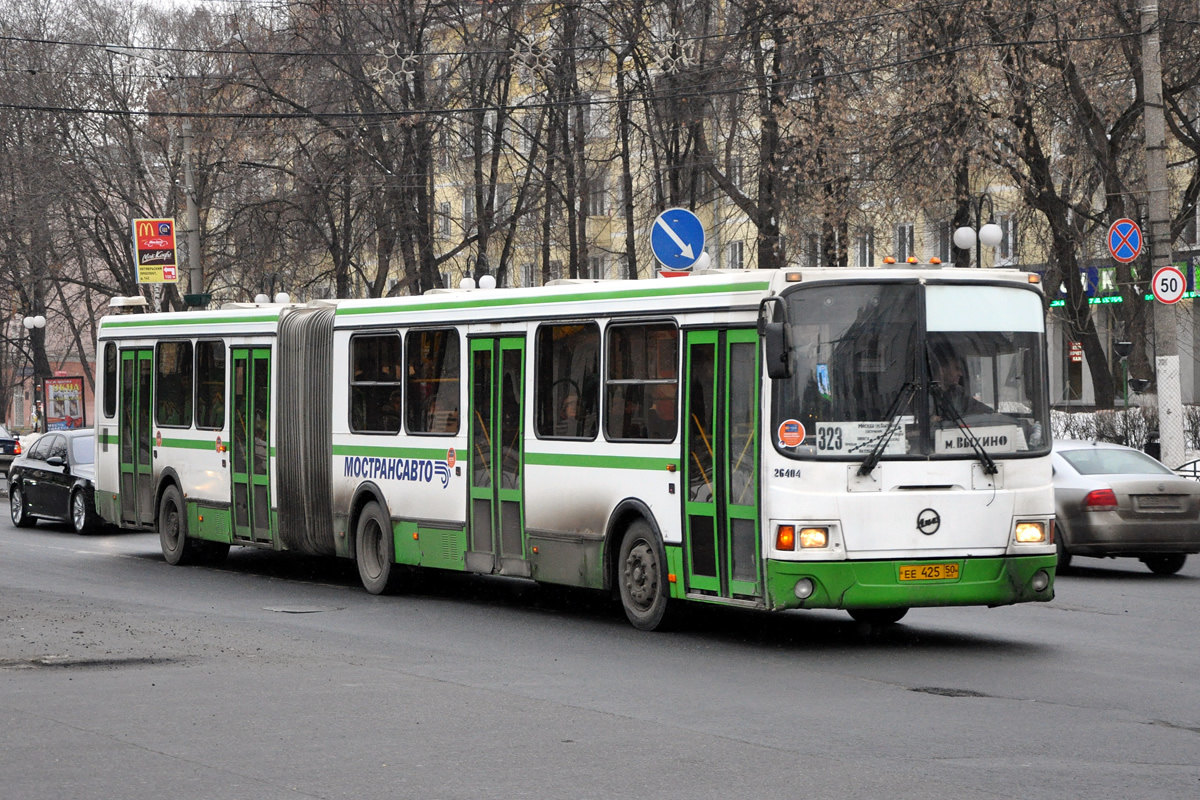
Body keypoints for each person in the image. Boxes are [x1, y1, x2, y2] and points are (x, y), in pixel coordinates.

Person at [932, 353, 990, 420]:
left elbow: (977, 407)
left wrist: (996, 415)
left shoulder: (958, 392)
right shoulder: (925, 393)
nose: (960, 374)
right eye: (956, 369)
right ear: (942, 370)